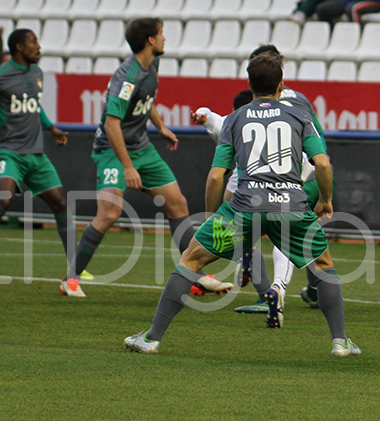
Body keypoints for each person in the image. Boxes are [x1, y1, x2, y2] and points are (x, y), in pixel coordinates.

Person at [125, 51, 359, 355]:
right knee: (324, 265)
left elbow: (216, 176)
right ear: (281, 85)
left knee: (191, 260)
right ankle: (340, 342)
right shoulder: (299, 115)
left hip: (245, 208)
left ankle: (151, 338)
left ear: (249, 85)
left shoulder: (236, 118)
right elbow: (323, 164)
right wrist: (325, 199)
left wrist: (213, 216)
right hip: (291, 205)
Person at [72, 17, 230, 300]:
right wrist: (128, 167)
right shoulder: (127, 77)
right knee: (109, 214)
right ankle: (71, 278)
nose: (164, 38)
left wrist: (160, 126)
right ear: (150, 40)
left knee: (177, 203)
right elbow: (111, 124)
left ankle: (195, 276)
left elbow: (145, 101)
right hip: (113, 150)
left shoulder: (151, 65)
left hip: (142, 148)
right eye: (161, 34)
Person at [0, 28, 76, 290]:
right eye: (34, 42)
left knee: (60, 203)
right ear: (20, 47)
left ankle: (76, 267)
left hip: (36, 153)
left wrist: (51, 127)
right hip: (9, 151)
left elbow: (34, 105)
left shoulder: (37, 73)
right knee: (4, 198)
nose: (39, 47)